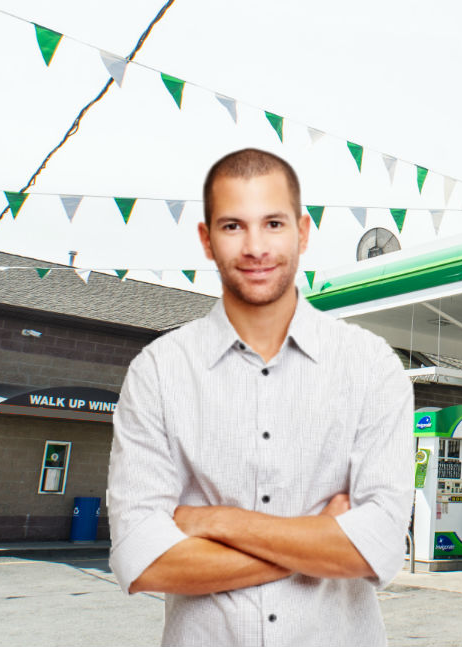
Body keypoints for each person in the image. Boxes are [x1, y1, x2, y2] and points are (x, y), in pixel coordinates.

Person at [107, 148, 414, 646]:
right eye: (233, 226)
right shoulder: (159, 372)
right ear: (207, 240)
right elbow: (141, 558)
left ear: (302, 231)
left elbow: (374, 549)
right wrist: (317, 538)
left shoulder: (371, 366)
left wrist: (213, 521)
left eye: (273, 223)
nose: (255, 247)